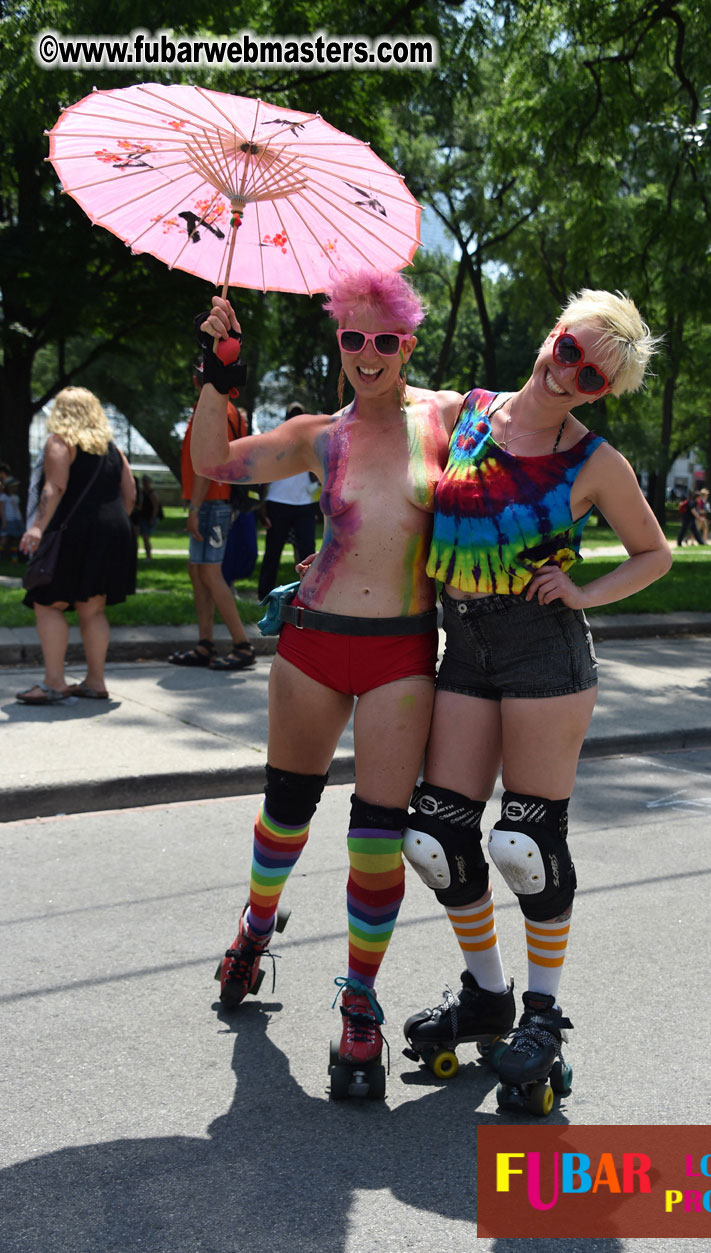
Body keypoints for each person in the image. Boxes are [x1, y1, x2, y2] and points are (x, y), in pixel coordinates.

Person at [399, 289, 672, 1112]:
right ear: (552, 335)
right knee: (435, 837)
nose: (572, 375)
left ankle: (545, 1015)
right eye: (570, 351)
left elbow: (653, 553)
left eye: (592, 377)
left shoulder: (596, 461)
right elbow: (374, 401)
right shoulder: (466, 413)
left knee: (525, 843)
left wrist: (583, 591)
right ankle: (489, 994)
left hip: (543, 650)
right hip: (465, 646)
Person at [191, 270, 461, 1081]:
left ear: (408, 343)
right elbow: (213, 460)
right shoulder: (319, 434)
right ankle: (255, 928)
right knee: (285, 815)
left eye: (385, 339)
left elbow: (538, 416)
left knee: (376, 836)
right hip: (313, 644)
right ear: (337, 342)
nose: (369, 353)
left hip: (402, 653)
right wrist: (218, 368)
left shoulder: (449, 416)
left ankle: (358, 1007)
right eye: (353, 338)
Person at [16, 387, 136, 704]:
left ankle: (54, 682)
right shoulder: (112, 449)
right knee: (93, 609)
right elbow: (131, 495)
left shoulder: (60, 441)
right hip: (115, 532)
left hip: (74, 533)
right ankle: (95, 682)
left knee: (47, 603)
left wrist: (38, 528)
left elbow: (55, 486)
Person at [167, 374, 255, 671]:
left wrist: (193, 508)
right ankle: (205, 644)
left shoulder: (213, 411)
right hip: (212, 501)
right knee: (198, 572)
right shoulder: (228, 410)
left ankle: (242, 644)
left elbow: (206, 464)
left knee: (210, 574)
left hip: (211, 502)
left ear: (197, 380)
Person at [256, 402, 320, 602]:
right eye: (292, 415)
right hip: (278, 502)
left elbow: (319, 473)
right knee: (272, 553)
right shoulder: (276, 439)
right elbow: (264, 474)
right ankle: (264, 596)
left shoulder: (311, 441)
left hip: (305, 503)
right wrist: (262, 507)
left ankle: (309, 596)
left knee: (308, 554)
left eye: (299, 415)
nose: (295, 419)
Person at [137, 474, 161, 560]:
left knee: (146, 537)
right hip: (143, 517)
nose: (144, 484)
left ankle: (149, 557)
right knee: (144, 538)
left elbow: (156, 507)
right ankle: (148, 556)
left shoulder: (152, 493)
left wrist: (152, 518)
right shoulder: (142, 493)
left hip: (149, 518)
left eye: (146, 482)